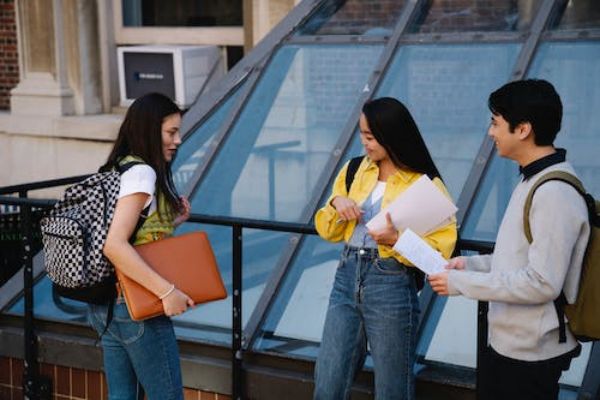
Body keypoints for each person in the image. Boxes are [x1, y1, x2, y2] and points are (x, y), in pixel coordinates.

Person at [428, 79, 590, 400]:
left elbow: (542, 282)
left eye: (496, 122)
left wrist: (461, 282)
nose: (491, 132)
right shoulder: (534, 179)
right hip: (513, 345)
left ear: (523, 129)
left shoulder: (554, 192)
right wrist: (470, 265)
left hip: (531, 354)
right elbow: (519, 259)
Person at [313, 97, 457, 400]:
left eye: (370, 136)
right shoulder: (354, 170)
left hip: (391, 283)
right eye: (362, 134)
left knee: (392, 388)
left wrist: (396, 239)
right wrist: (336, 203)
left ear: (390, 135)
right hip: (346, 277)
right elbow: (327, 230)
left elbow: (439, 256)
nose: (363, 143)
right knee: (327, 382)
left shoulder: (425, 184)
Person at [88, 92, 193, 400]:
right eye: (171, 132)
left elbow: (131, 234)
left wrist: (173, 222)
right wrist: (167, 292)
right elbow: (115, 245)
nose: (178, 140)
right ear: (150, 130)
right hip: (137, 306)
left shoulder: (118, 167)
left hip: (107, 305)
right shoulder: (142, 173)